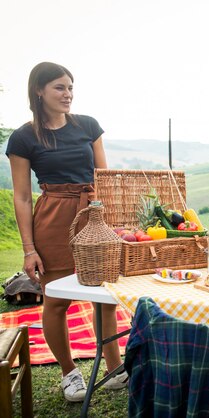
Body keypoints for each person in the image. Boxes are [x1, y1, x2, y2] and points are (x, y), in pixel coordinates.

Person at [6, 62, 128, 402]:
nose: (68, 93)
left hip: (94, 216)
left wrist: (111, 221)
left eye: (71, 87)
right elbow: (21, 196)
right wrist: (29, 248)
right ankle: (68, 372)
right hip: (53, 218)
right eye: (59, 87)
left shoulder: (88, 126)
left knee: (105, 296)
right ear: (39, 91)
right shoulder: (23, 137)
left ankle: (115, 368)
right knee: (57, 301)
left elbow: (103, 176)